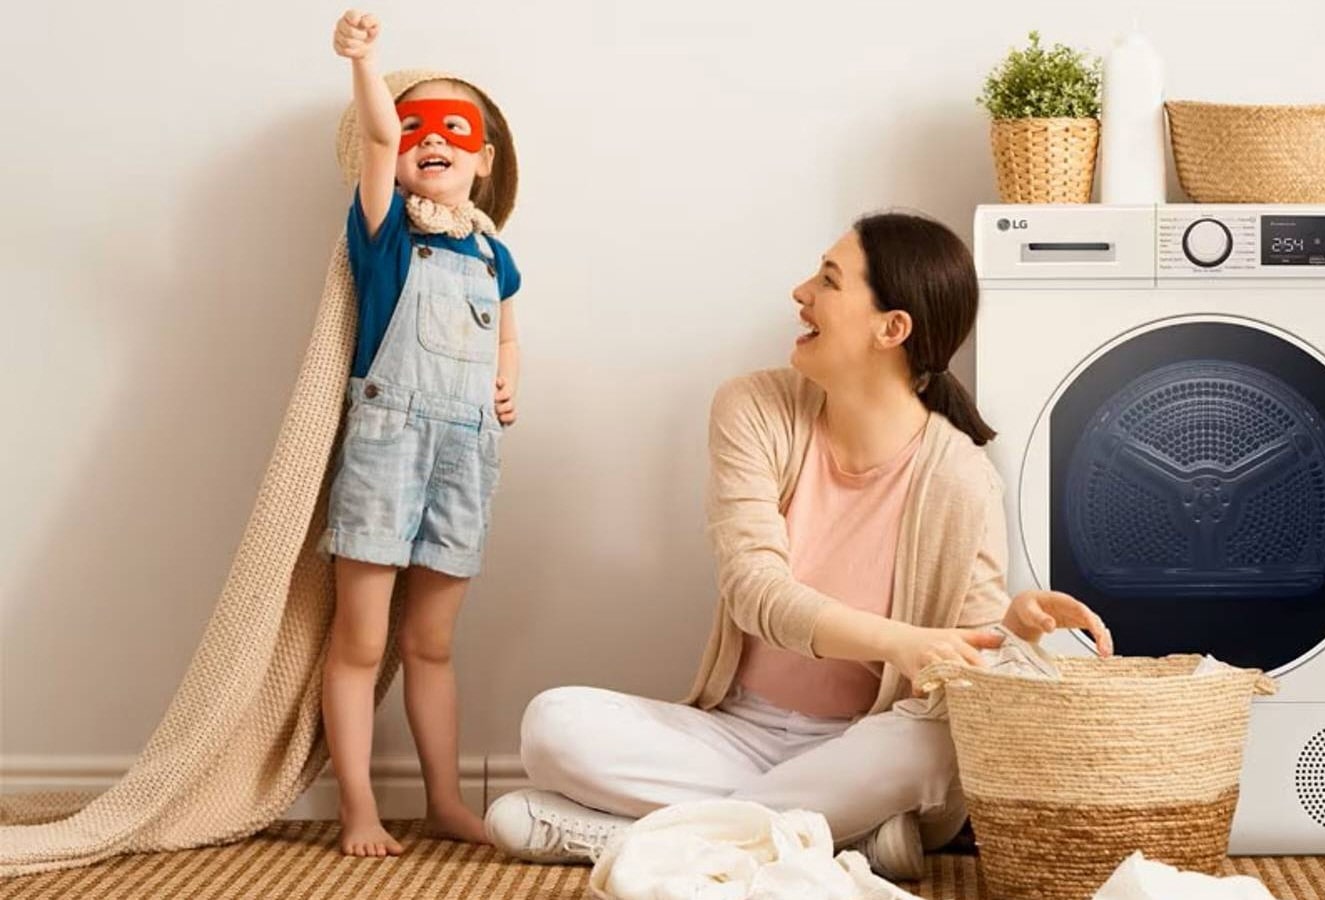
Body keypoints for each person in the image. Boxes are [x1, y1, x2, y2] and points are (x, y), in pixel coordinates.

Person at [486, 212, 1111, 879]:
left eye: (829, 280)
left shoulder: (961, 479)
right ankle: (840, 839)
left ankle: (638, 842)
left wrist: (1012, 630)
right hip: (737, 734)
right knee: (551, 724)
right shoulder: (753, 408)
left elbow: (964, 665)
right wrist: (898, 640)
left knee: (933, 746)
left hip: (866, 744)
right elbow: (755, 590)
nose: (800, 291)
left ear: (891, 329)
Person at [321, 10, 522, 856]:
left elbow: (505, 326)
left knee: (431, 642)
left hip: (465, 454)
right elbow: (373, 139)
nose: (427, 140)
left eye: (452, 131)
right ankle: (359, 807)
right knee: (362, 638)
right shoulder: (386, 234)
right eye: (415, 129)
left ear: (482, 160)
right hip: (389, 444)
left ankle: (444, 798)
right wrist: (368, 70)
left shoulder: (492, 253)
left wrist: (510, 372)